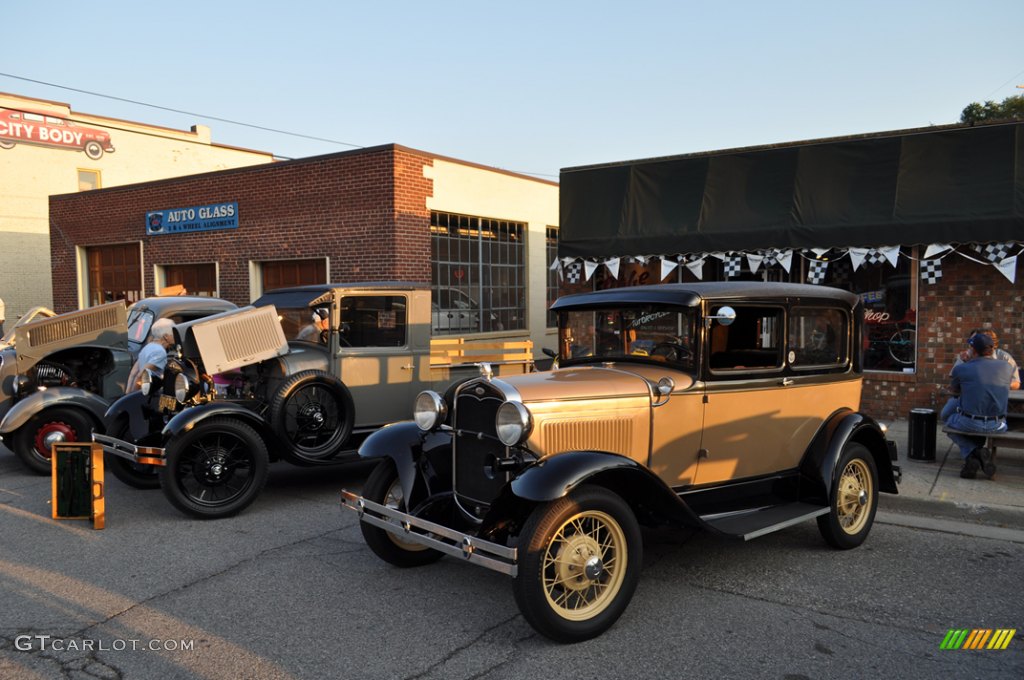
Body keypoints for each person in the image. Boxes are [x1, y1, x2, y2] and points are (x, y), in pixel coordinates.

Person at [943, 332, 1015, 480]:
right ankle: (978, 455)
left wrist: (966, 362)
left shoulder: (962, 368)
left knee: (948, 422)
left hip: (970, 422)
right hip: (998, 424)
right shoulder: (1007, 367)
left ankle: (973, 453)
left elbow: (955, 390)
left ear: (973, 350)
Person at [940, 328, 1020, 421]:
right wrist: (965, 363)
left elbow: (1016, 383)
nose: (971, 344)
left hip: (994, 399)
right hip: (967, 397)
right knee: (945, 414)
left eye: (974, 340)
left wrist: (994, 384)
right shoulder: (966, 356)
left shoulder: (1004, 358)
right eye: (971, 340)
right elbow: (954, 378)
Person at [125, 318, 175, 393]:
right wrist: (134, 395)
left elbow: (133, 373)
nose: (175, 336)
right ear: (166, 336)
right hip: (148, 392)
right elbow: (141, 374)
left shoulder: (148, 347)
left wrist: (127, 394)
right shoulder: (160, 352)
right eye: (173, 333)